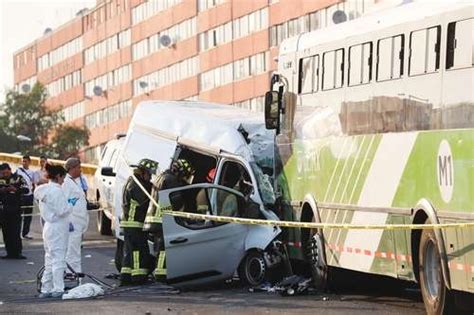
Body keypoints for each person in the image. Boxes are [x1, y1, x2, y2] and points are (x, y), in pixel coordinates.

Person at [145, 159, 194, 280]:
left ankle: (160, 272)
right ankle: (161, 275)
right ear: (180, 173)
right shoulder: (172, 180)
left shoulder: (162, 177)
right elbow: (173, 201)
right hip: (162, 220)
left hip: (154, 219)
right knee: (164, 248)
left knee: (160, 247)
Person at [34, 164, 74, 298]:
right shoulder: (57, 191)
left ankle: (46, 289)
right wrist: (71, 204)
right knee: (59, 259)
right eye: (63, 177)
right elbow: (62, 211)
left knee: (49, 258)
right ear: (58, 176)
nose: (64, 181)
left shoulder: (44, 190)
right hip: (58, 227)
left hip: (48, 227)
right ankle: (58, 288)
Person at [120, 158, 158, 285]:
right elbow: (148, 203)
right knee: (138, 252)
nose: (150, 177)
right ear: (142, 172)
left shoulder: (132, 181)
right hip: (134, 224)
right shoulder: (138, 185)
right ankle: (138, 278)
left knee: (130, 252)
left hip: (130, 224)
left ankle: (125, 277)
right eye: (149, 174)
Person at [62, 157, 88, 274]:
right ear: (71, 168)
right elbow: (64, 203)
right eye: (78, 167)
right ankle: (72, 274)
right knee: (72, 251)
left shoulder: (74, 181)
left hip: (78, 222)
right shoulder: (66, 183)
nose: (80, 170)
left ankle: (74, 274)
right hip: (72, 222)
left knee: (75, 250)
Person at [0, 163, 28, 259]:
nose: (5, 174)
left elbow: (26, 189)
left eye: (6, 172)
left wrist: (15, 190)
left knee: (15, 231)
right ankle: (9, 252)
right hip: (3, 209)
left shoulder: (18, 178)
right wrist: (3, 190)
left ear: (10, 170)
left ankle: (17, 252)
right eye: (3, 173)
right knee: (6, 231)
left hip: (15, 208)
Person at [17, 155, 36, 239]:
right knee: (19, 215)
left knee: (28, 215)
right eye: (23, 161)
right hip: (21, 196)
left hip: (29, 196)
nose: (24, 163)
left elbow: (34, 183)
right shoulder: (18, 171)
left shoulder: (32, 173)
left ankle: (25, 233)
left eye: (25, 161)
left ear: (29, 162)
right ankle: (17, 233)